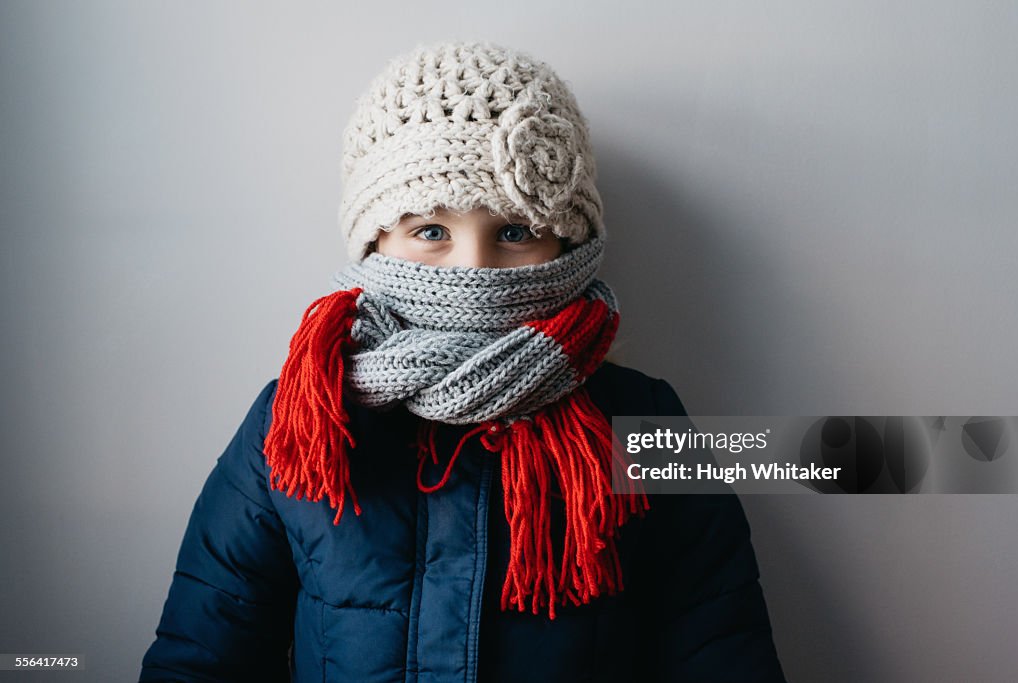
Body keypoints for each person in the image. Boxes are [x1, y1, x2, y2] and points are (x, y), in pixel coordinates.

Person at [140, 40, 787, 682]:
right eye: (430, 232)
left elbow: (725, 653)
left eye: (513, 231)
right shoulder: (300, 421)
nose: (473, 269)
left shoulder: (643, 420)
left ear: (568, 239)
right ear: (376, 240)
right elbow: (202, 660)